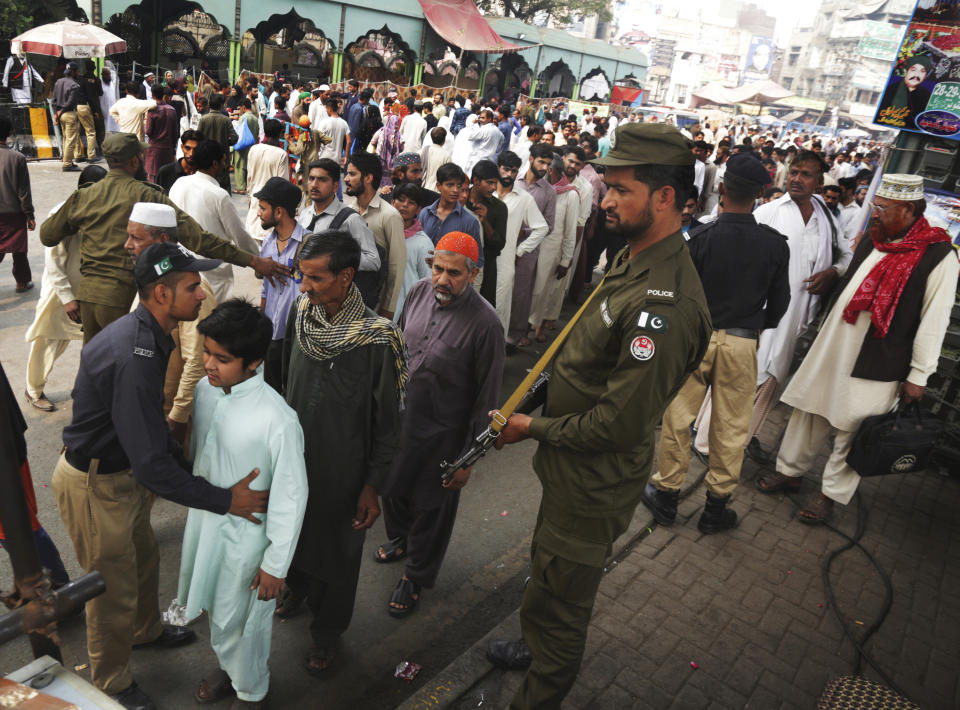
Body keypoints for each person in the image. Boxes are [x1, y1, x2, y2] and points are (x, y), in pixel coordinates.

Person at [485, 123, 712, 708]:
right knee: (546, 577)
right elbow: (582, 360)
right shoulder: (632, 258)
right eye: (606, 187)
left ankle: (539, 689)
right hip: (571, 476)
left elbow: (619, 423)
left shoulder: (665, 304)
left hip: (593, 484)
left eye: (621, 190)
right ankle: (533, 646)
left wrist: (528, 427)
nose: (605, 201)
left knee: (562, 605)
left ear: (666, 198)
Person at [52, 240, 270, 710]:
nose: (202, 293)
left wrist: (190, 468)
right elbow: (153, 464)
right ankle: (111, 681)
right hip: (95, 483)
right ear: (162, 294)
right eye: (193, 286)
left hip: (119, 472)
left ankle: (144, 631)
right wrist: (223, 498)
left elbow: (151, 431)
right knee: (109, 587)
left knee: (145, 557)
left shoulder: (150, 334)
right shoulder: (137, 355)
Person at [756, 174, 959, 522]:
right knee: (809, 411)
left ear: (908, 210)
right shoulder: (874, 239)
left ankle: (829, 496)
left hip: (879, 360)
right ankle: (790, 472)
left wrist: (919, 375)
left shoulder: (940, 256)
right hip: (834, 347)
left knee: (855, 429)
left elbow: (934, 321)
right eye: (875, 206)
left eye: (882, 208)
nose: (874, 213)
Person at [275, 231, 406, 676]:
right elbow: (285, 385)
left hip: (344, 474)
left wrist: (372, 488)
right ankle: (297, 589)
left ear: (346, 277)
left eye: (314, 278)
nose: (304, 286)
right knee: (292, 539)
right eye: (301, 275)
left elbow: (388, 423)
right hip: (294, 464)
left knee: (338, 555)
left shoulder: (377, 338)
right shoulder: (302, 314)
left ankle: (327, 634)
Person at [644, 153, 790, 533]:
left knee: (677, 418)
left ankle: (667, 496)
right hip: (742, 343)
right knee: (730, 426)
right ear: (761, 194)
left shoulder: (700, 238)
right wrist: (756, 328)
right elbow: (780, 304)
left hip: (696, 339)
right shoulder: (774, 245)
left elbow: (676, 294)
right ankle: (715, 507)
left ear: (722, 188)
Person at [179, 299, 308, 710]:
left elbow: (291, 496)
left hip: (249, 545)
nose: (210, 365)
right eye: (207, 353)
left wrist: (276, 564)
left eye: (223, 358)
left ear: (253, 362)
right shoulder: (205, 391)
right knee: (219, 612)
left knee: (245, 622)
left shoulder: (278, 420)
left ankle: (252, 692)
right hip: (208, 527)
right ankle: (229, 669)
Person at [40, 133, 289, 344]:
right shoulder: (145, 195)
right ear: (134, 161)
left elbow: (47, 235)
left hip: (87, 295)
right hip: (119, 297)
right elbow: (199, 239)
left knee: (95, 365)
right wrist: (253, 261)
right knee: (129, 367)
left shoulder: (83, 196)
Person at [378, 232, 504, 615]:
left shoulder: (486, 325)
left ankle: (415, 576)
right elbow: (396, 348)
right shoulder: (417, 292)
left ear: (473, 273)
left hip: (444, 436)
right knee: (392, 489)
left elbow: (487, 401)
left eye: (454, 273)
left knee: (432, 508)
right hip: (402, 422)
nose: (442, 280)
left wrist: (467, 459)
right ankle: (400, 539)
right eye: (438, 269)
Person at [746, 150, 852, 461]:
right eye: (794, 172)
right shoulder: (770, 212)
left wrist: (833, 272)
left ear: (819, 182)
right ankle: (720, 436)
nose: (796, 178)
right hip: (763, 315)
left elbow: (846, 256)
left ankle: (745, 434)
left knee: (772, 379)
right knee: (748, 376)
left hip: (798, 319)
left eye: (805, 174)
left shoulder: (827, 219)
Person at [24, 165, 105, 412]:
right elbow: (54, 262)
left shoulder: (103, 210)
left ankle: (94, 393)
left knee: (95, 343)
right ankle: (33, 389)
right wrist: (68, 298)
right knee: (48, 340)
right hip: (60, 292)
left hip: (89, 291)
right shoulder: (62, 213)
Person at [169, 140, 261, 303]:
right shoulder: (219, 195)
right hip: (212, 273)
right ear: (214, 164)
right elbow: (240, 235)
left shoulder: (179, 184)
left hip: (180, 265)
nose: (225, 165)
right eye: (224, 161)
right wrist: (259, 259)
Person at [297, 158, 381, 302]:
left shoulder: (350, 219)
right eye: (311, 178)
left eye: (322, 180)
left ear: (336, 186)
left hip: (333, 300)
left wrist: (336, 261)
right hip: (304, 294)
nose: (314, 184)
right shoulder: (304, 214)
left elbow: (374, 261)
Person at [255, 177, 309, 391]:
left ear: (279, 212)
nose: (258, 213)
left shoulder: (307, 244)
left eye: (262, 208)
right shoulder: (268, 242)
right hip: (271, 334)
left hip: (295, 336)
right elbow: (265, 287)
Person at [344, 152, 407, 319]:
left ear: (368, 178)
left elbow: (396, 266)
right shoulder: (348, 212)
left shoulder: (390, 216)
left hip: (375, 306)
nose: (346, 179)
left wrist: (389, 308)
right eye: (346, 174)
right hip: (349, 302)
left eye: (352, 174)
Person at [494, 150, 549, 335]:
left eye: (514, 171)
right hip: (480, 263)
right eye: (506, 169)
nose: (510, 175)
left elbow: (541, 228)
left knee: (499, 312)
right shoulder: (486, 192)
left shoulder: (524, 198)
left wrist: (521, 250)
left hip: (505, 264)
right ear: (497, 168)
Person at [510, 143, 557, 348]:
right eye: (541, 162)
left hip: (528, 251)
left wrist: (526, 233)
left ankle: (513, 337)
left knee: (520, 295)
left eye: (548, 164)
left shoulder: (549, 192)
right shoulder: (512, 181)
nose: (545, 167)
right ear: (531, 159)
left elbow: (549, 226)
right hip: (504, 245)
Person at [528, 153, 578, 342]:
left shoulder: (570, 194)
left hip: (552, 250)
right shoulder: (539, 189)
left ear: (551, 170)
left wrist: (566, 260)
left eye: (545, 166)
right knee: (527, 287)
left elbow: (570, 230)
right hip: (531, 245)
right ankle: (522, 327)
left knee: (542, 289)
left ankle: (536, 326)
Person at [418, 163, 483, 264]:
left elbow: (477, 260)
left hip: (451, 278)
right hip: (421, 276)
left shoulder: (470, 221)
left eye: (459, 185)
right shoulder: (425, 214)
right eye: (450, 185)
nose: (456, 190)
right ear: (439, 186)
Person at [0, 115, 35, 292]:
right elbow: (24, 192)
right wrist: (29, 215)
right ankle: (22, 282)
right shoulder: (17, 158)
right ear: (8, 134)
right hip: (13, 213)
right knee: (19, 250)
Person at [390, 182, 434, 319]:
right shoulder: (383, 234)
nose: (405, 205)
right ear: (392, 202)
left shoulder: (423, 243)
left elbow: (428, 284)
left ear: (418, 209)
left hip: (406, 314)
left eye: (411, 202)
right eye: (401, 200)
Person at [466, 159, 508, 307]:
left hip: (487, 268)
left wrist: (485, 222)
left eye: (496, 183)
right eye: (489, 183)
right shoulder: (460, 201)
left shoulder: (499, 208)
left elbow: (499, 244)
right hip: (459, 265)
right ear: (476, 181)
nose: (494, 188)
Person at [244, 119, 290, 240]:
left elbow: (249, 178)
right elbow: (283, 184)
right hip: (271, 205)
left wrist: (249, 198)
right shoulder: (281, 154)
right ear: (279, 134)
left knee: (253, 237)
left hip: (255, 200)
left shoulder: (254, 149)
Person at [876, 54, 933, 131]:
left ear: (925, 76)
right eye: (913, 70)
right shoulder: (889, 90)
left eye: (922, 72)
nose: (916, 75)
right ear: (906, 71)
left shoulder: (927, 97)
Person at [199, 93, 239, 191]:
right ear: (221, 105)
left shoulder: (203, 119)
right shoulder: (226, 120)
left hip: (206, 157)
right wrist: (226, 142)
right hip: (222, 159)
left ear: (209, 104)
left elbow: (198, 137)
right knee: (223, 186)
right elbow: (234, 137)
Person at [52, 62, 83, 172]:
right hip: (69, 114)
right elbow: (71, 102)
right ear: (73, 72)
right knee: (71, 140)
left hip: (61, 115)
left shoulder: (58, 82)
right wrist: (61, 111)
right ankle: (67, 164)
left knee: (66, 138)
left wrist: (56, 114)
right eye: (77, 71)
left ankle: (66, 159)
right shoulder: (75, 85)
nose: (78, 73)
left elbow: (54, 101)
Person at [144, 85, 179, 183]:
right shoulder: (172, 110)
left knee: (154, 178)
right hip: (167, 148)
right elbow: (175, 132)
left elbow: (148, 131)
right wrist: (173, 149)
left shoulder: (152, 110)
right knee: (166, 177)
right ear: (163, 94)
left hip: (154, 149)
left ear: (153, 95)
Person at [155, 129, 202, 194]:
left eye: (196, 149)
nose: (191, 153)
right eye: (188, 148)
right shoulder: (165, 172)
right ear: (182, 147)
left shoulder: (204, 173)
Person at [232, 98, 260, 194]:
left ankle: (240, 187)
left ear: (243, 108)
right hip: (251, 145)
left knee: (239, 165)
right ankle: (247, 185)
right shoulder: (255, 118)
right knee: (248, 165)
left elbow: (239, 132)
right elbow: (257, 132)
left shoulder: (243, 117)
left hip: (242, 145)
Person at [314, 97, 350, 165]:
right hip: (337, 160)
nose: (326, 111)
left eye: (326, 109)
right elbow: (349, 141)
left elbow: (317, 138)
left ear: (329, 109)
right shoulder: (344, 123)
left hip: (324, 157)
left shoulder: (324, 122)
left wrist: (317, 153)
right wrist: (345, 156)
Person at [422, 127, 452, 194]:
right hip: (436, 192)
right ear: (444, 140)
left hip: (422, 188)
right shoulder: (446, 155)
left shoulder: (423, 151)